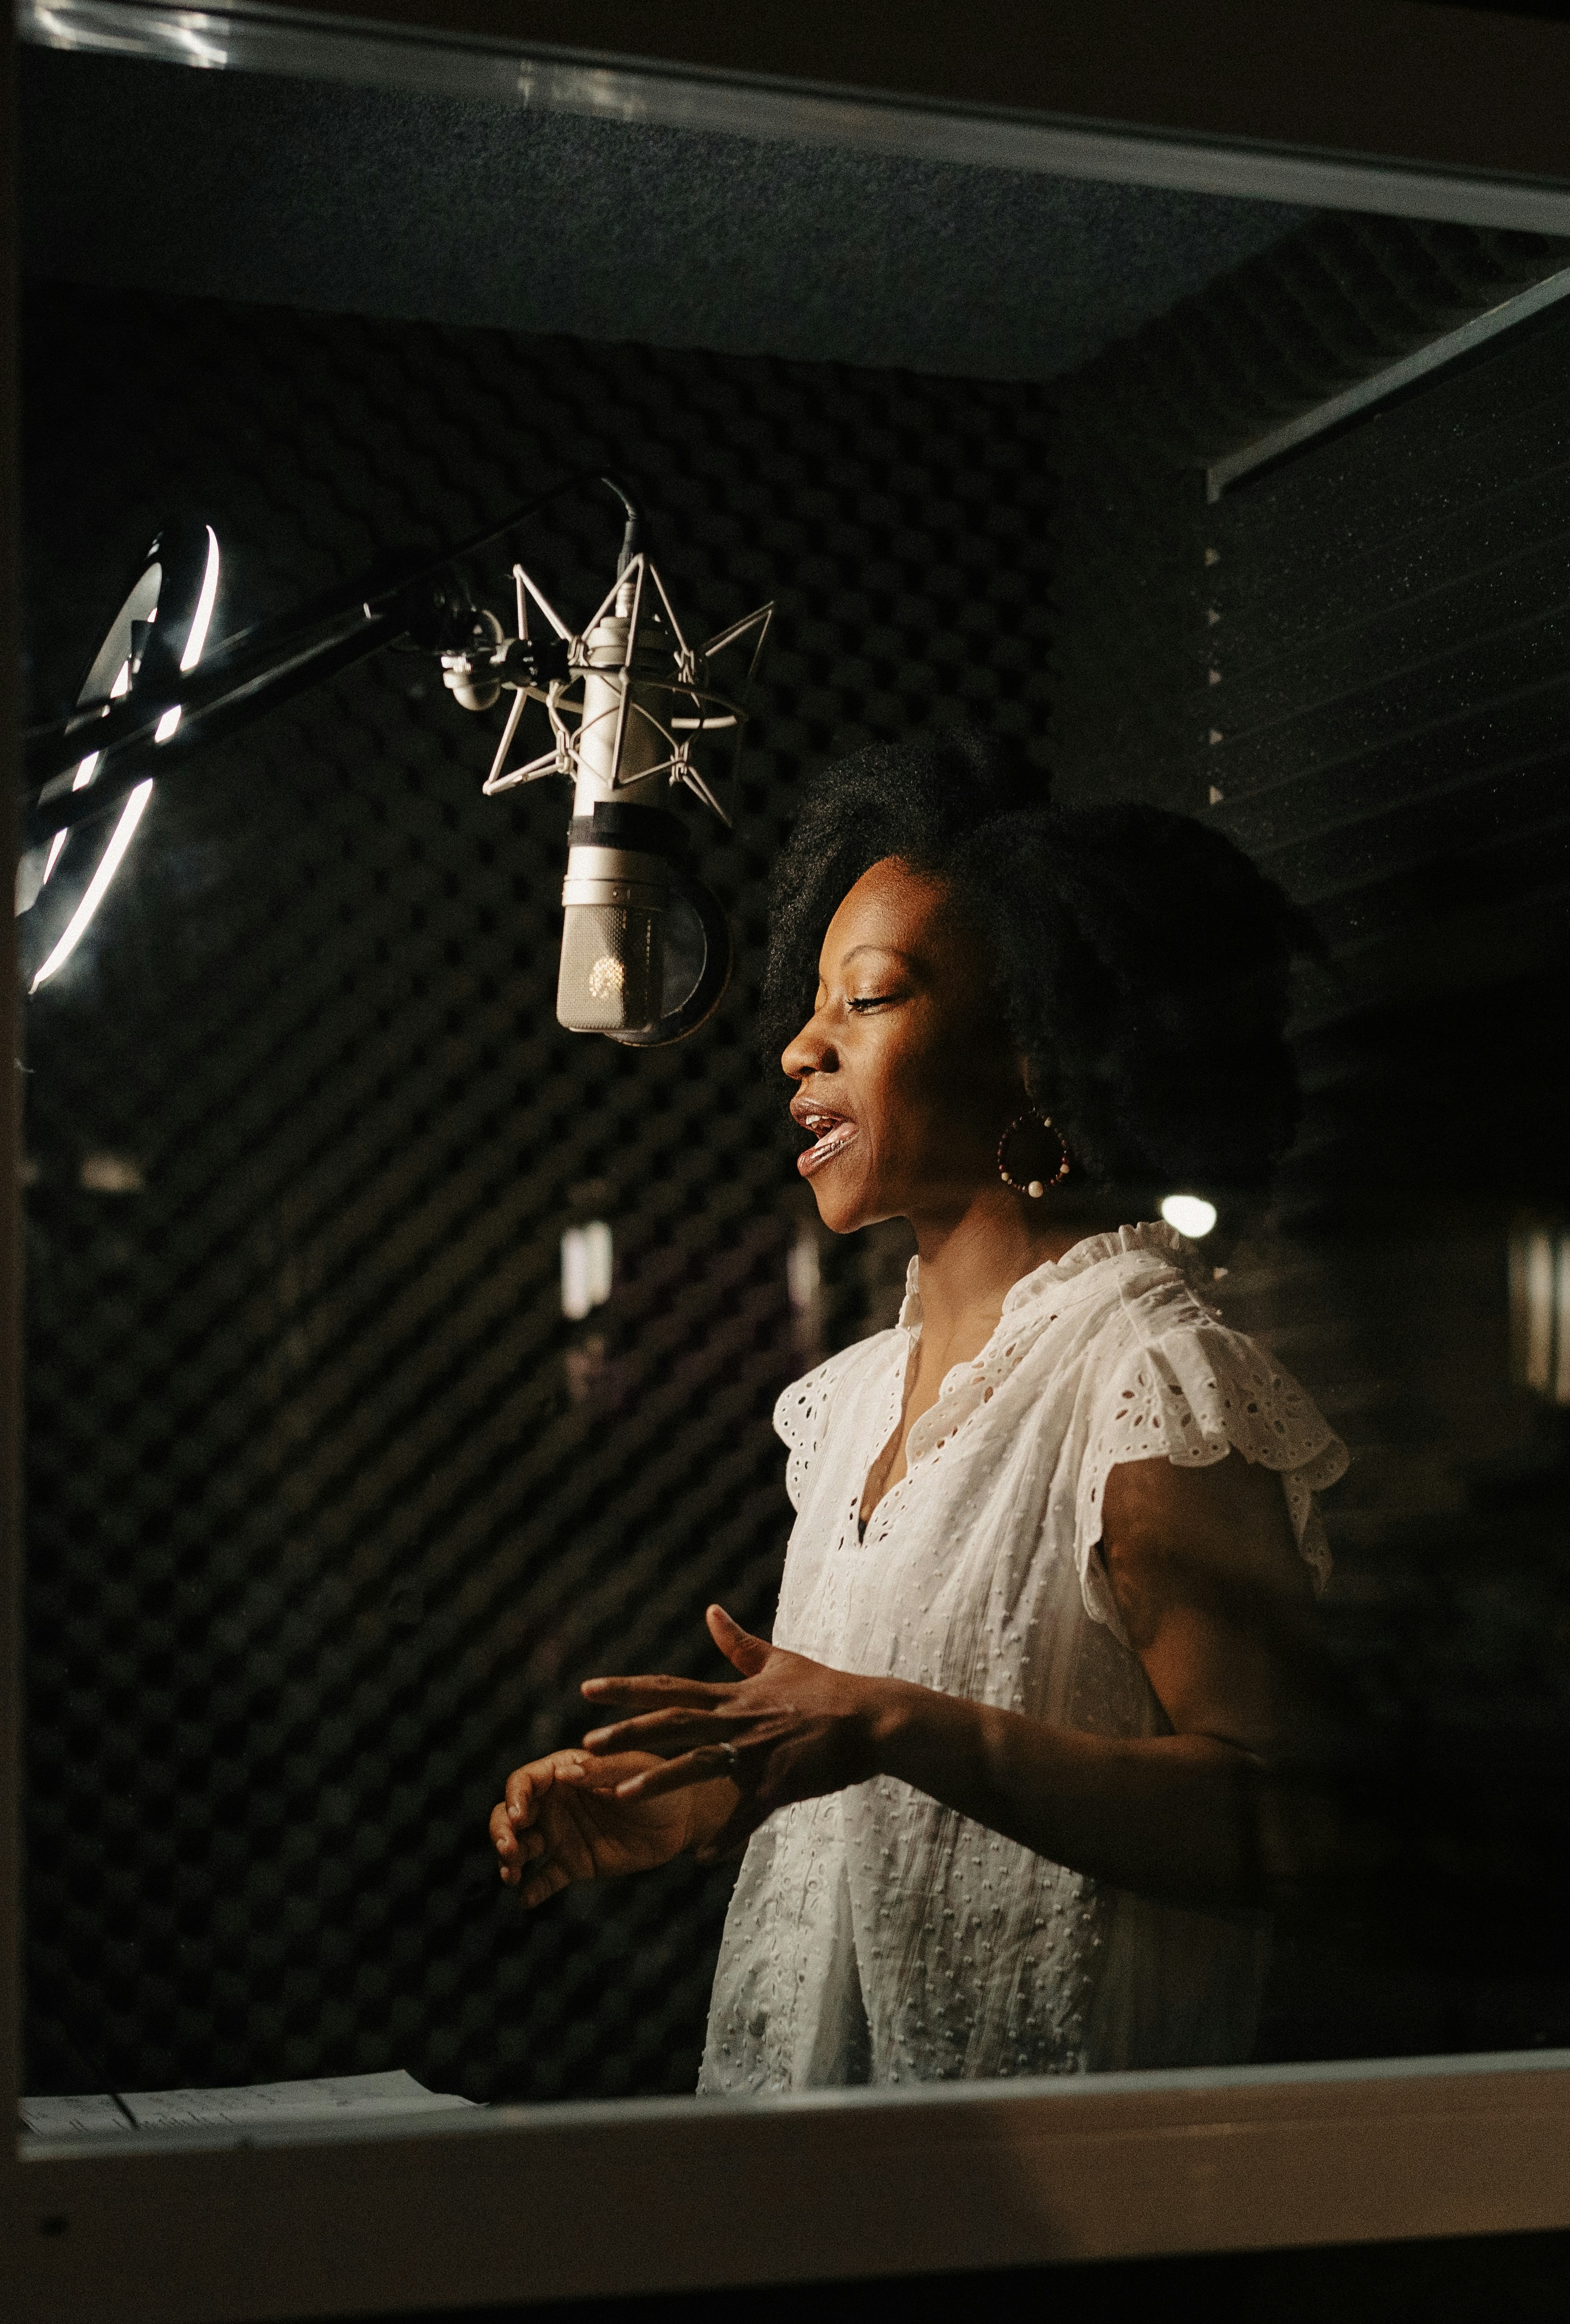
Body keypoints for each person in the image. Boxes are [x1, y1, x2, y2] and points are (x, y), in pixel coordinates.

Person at [486, 735, 1349, 2088]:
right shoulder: (847, 1412)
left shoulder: (1150, 1384)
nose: (797, 1045)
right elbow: (893, 1772)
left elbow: (1285, 1820)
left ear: (1032, 1056)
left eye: (869, 1002)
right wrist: (696, 1801)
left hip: (1060, 2227)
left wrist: (897, 1726)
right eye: (813, 1001)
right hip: (837, 2206)